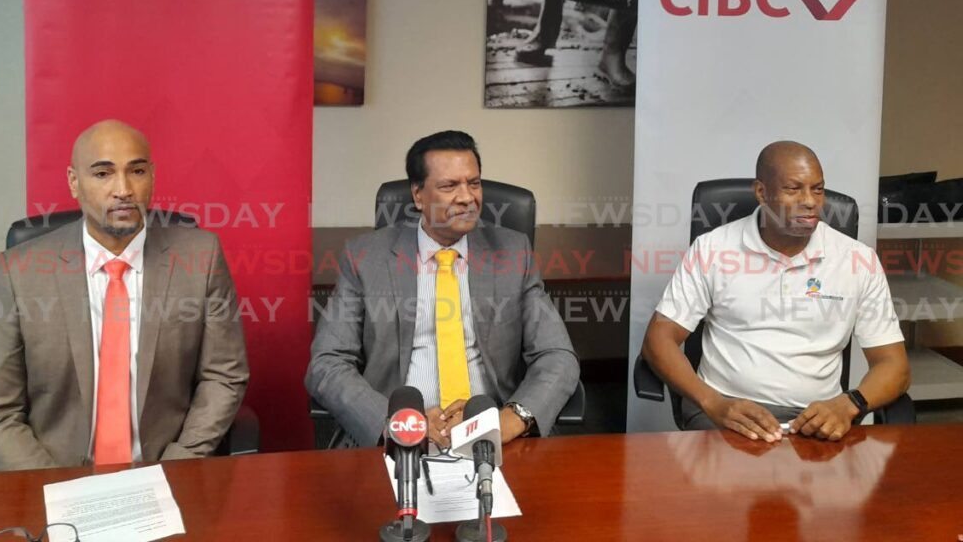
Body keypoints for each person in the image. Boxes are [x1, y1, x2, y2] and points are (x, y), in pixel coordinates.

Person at [0, 120, 249, 470]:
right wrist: (53, 487)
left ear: (153, 176)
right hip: (54, 475)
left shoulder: (200, 258)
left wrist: (179, 465)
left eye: (137, 171)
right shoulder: (19, 273)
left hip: (163, 470)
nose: (124, 189)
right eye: (103, 174)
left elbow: (224, 376)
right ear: (74, 181)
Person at [306, 130, 579, 448]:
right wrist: (395, 422)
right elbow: (327, 363)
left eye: (474, 183)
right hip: (398, 434)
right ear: (418, 195)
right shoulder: (366, 257)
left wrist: (507, 421)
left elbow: (557, 355)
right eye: (450, 186)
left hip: (492, 431)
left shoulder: (513, 253)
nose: (467, 197)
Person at [641, 141, 909, 442]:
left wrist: (849, 404)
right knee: (730, 487)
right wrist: (712, 402)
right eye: (793, 189)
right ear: (761, 192)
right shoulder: (713, 249)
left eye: (818, 189)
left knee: (825, 488)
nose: (810, 201)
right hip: (727, 413)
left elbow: (894, 364)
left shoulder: (858, 260)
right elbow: (658, 340)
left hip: (818, 419)